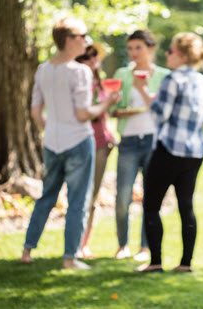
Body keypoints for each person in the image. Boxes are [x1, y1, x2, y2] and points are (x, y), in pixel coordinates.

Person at [20, 18, 120, 269]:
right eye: (82, 36)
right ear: (68, 39)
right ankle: (69, 259)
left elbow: (35, 113)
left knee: (46, 197)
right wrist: (107, 103)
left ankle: (26, 252)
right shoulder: (80, 71)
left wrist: (52, 130)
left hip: (51, 142)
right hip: (78, 141)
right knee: (78, 201)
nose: (86, 40)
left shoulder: (43, 69)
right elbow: (84, 114)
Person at [137, 32, 203, 272]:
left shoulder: (172, 80)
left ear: (181, 55)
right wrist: (192, 120)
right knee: (186, 205)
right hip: (194, 152)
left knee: (151, 205)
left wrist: (145, 94)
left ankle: (155, 263)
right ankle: (186, 264)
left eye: (170, 50)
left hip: (168, 150)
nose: (167, 54)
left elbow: (158, 115)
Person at [110, 30, 170, 261]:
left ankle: (145, 248)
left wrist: (143, 89)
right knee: (122, 197)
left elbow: (164, 110)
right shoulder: (121, 74)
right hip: (128, 141)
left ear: (150, 49)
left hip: (154, 141)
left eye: (138, 48)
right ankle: (122, 245)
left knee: (150, 197)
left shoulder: (164, 76)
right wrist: (114, 105)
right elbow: (114, 108)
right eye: (130, 48)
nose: (134, 52)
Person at [75, 43, 115, 259]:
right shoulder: (78, 84)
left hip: (100, 144)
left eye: (94, 55)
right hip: (80, 144)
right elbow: (87, 114)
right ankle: (74, 244)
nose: (92, 59)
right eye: (86, 56)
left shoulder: (101, 84)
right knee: (79, 196)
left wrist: (109, 137)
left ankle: (83, 244)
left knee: (93, 197)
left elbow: (103, 116)